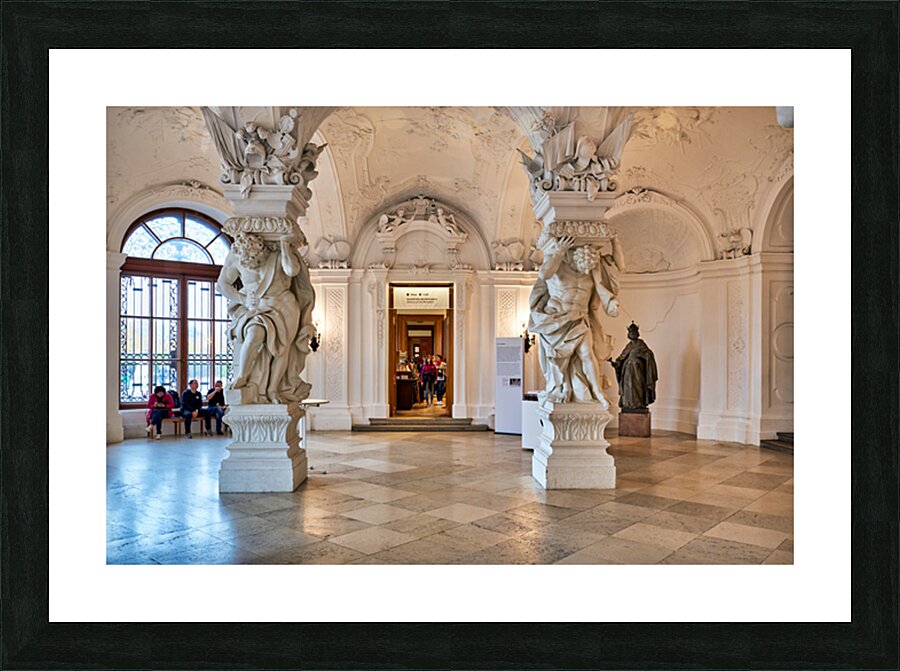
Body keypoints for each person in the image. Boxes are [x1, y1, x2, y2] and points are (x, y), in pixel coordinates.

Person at [216, 228, 315, 404]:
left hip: (285, 306)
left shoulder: (277, 253)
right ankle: (242, 376)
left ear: (262, 249)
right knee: (254, 334)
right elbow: (222, 284)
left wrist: (285, 245)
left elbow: (292, 270)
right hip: (258, 308)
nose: (253, 264)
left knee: (282, 349)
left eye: (258, 259)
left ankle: (272, 389)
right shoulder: (236, 256)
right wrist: (243, 300)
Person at [528, 231, 622, 406]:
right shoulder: (558, 264)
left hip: (579, 318)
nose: (586, 271)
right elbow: (544, 274)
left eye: (589, 268)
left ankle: (598, 392)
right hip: (557, 320)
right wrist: (559, 252)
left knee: (587, 354)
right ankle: (564, 388)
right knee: (559, 360)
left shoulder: (592, 269)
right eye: (583, 266)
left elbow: (618, 267)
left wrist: (615, 241)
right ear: (576, 258)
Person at [609, 322, 658, 411]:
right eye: (631, 332)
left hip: (638, 370)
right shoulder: (629, 346)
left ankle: (639, 404)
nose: (633, 334)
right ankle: (628, 404)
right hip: (627, 371)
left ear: (637, 333)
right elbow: (622, 357)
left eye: (634, 332)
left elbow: (649, 355)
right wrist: (616, 363)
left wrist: (641, 355)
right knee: (628, 387)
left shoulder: (641, 344)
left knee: (638, 387)